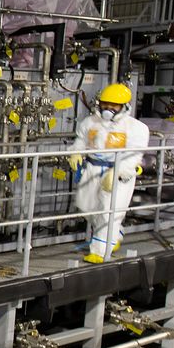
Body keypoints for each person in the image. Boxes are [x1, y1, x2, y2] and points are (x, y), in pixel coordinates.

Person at [69, 83, 150, 264]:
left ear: (124, 106)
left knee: (110, 212)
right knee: (86, 206)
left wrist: (118, 172)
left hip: (117, 173)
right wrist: (76, 152)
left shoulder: (136, 128)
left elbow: (134, 155)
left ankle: (99, 251)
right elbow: (81, 140)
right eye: (105, 104)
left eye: (114, 105)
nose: (108, 108)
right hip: (92, 169)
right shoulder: (90, 122)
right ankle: (116, 234)